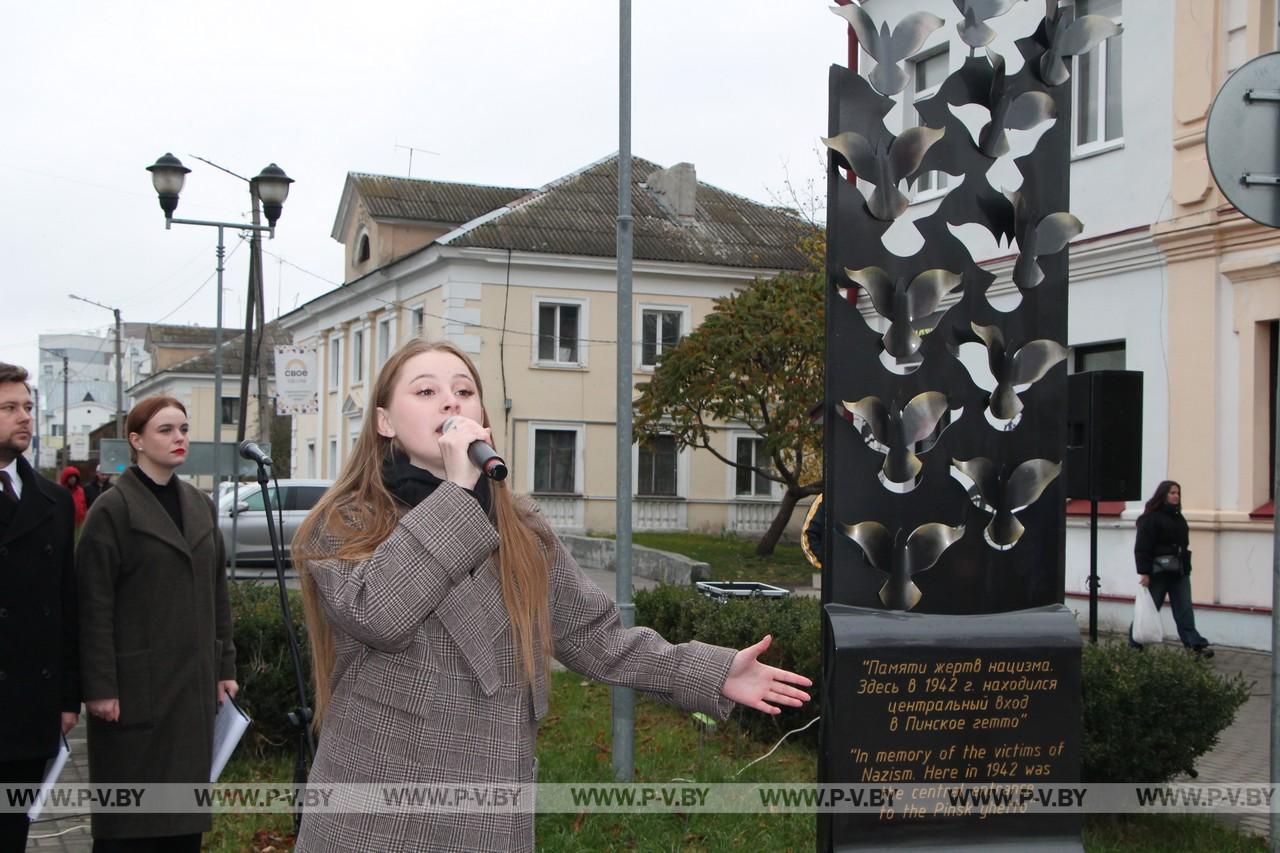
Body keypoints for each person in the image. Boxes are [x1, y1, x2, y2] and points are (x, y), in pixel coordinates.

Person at [292, 339, 813, 853]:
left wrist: (709, 671)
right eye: (426, 391)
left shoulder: (522, 529)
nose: (451, 402)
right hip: (379, 812)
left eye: (464, 390)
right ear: (385, 422)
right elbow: (379, 614)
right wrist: (456, 492)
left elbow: (595, 637)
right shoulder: (345, 523)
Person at [76, 395, 238, 851]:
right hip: (136, 687)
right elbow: (93, 604)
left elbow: (217, 594)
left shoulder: (200, 505)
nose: (179, 438)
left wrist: (224, 667)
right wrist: (100, 686)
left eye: (183, 429)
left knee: (183, 820)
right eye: (166, 430)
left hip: (192, 685)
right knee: (131, 822)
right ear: (137, 440)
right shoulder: (113, 509)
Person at [0, 363, 80, 852]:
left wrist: (69, 696)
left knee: (13, 831)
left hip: (31, 707)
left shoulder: (51, 500)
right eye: (9, 408)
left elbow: (66, 602)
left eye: (28, 407)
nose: (24, 418)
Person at [1132, 480, 1212, 658]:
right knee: (1150, 607)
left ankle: (1194, 645)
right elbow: (1142, 547)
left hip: (1180, 570)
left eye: (1178, 493)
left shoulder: (1178, 517)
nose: (1176, 496)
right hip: (1158, 572)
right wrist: (1144, 572)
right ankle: (1134, 643)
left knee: (1184, 609)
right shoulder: (1151, 518)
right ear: (1163, 495)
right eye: (1172, 493)